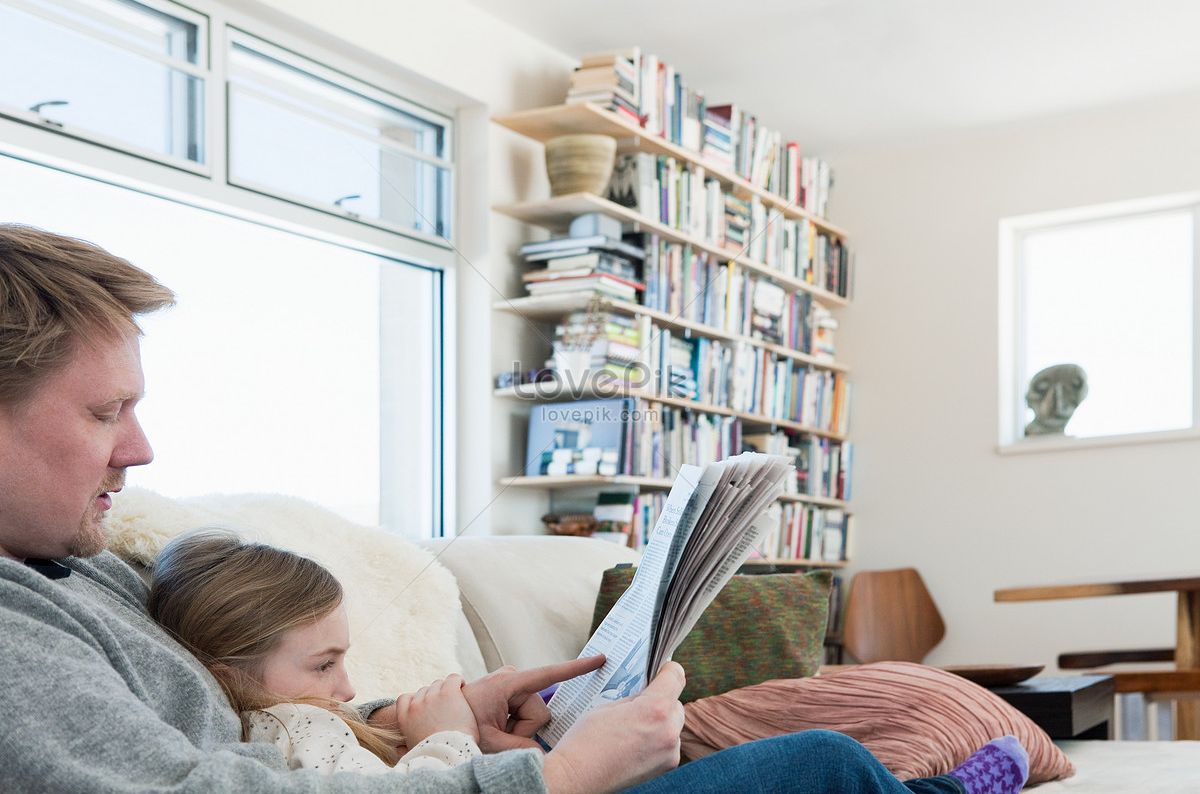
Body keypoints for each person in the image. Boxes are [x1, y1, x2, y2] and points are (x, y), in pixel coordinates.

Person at [0, 222, 1029, 794]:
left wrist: (413, 718)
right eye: (104, 412)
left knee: (820, 768)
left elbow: (247, 726)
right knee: (821, 765)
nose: (139, 448)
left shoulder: (84, 563)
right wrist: (554, 779)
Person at [147, 528, 482, 774]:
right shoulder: (296, 726)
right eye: (324, 665)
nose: (348, 691)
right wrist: (449, 736)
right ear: (231, 679)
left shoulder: (264, 733)